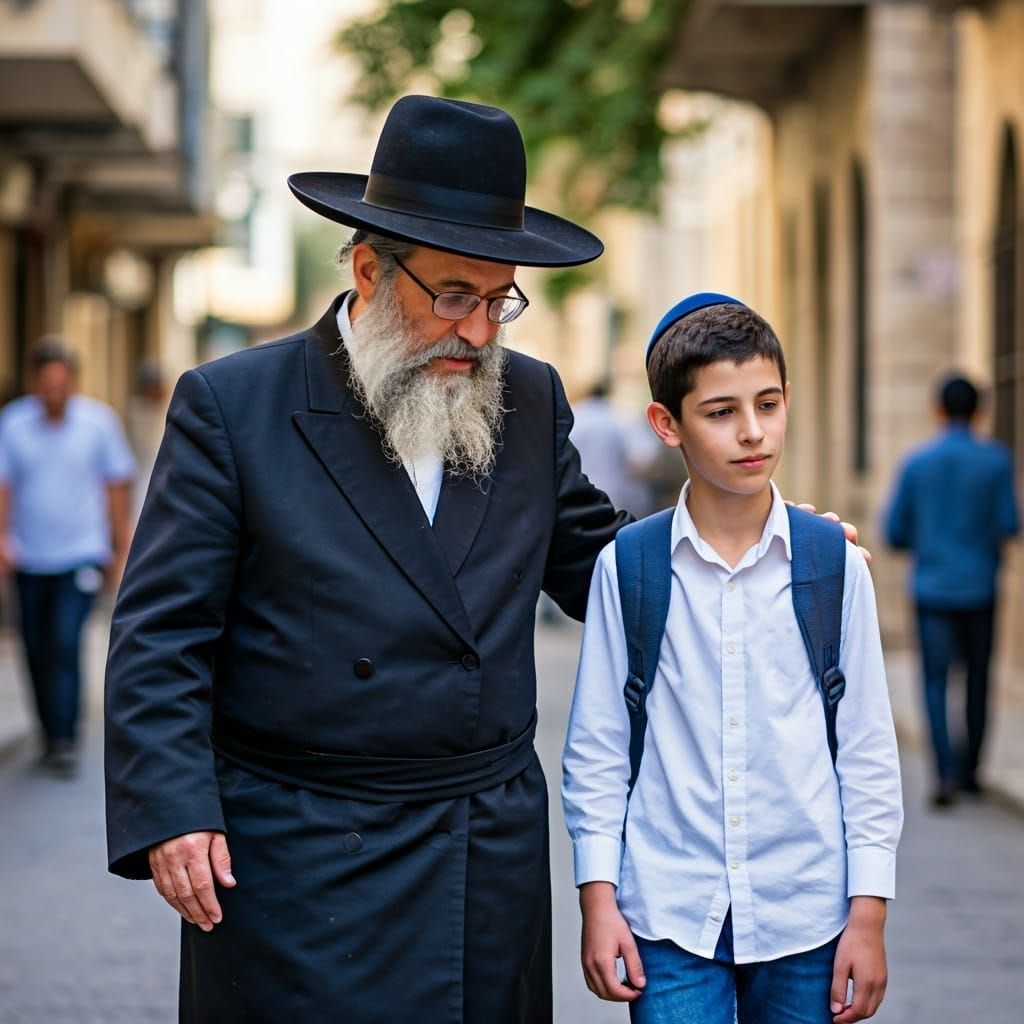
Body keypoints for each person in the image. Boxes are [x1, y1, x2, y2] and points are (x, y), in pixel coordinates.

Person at [104, 96, 865, 1023]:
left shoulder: (528, 400)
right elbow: (161, 635)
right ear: (369, 269)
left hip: (479, 859)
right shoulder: (233, 405)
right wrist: (176, 809)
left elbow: (605, 566)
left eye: (498, 300)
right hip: (300, 856)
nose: (478, 331)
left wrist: (766, 546)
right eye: (454, 297)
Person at [563, 296, 903, 1024]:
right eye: (720, 412)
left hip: (807, 912)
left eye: (768, 404)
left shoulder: (835, 565)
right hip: (669, 914)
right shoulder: (629, 566)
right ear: (667, 425)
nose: (752, 431)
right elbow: (597, 749)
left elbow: (868, 750)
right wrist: (597, 898)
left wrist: (869, 912)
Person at [0, 338, 135, 777]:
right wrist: (2, 538)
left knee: (64, 641)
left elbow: (116, 487)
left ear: (73, 381)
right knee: (35, 647)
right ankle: (48, 732)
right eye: (47, 384)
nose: (54, 392)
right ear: (34, 383)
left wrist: (120, 548)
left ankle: (64, 738)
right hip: (30, 557)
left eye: (61, 384)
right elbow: (4, 485)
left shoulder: (98, 423)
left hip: (81, 554)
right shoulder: (14, 423)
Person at [883, 373, 1019, 807]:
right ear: (979, 412)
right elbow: (1010, 523)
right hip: (980, 588)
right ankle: (970, 772)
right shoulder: (996, 461)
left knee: (934, 681)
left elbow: (894, 531)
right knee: (978, 679)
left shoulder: (917, 463)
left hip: (931, 590)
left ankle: (943, 774)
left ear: (938, 410)